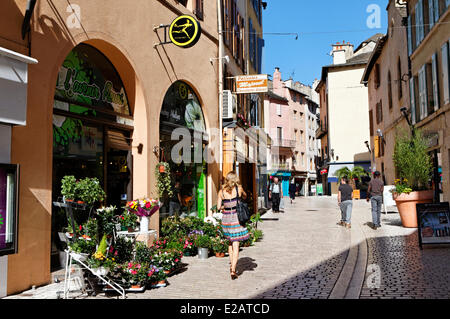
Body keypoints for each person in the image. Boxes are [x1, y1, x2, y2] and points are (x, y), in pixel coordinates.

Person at [214, 171, 249, 280]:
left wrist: (226, 207)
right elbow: (245, 197)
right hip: (236, 218)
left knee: (230, 241)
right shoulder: (239, 189)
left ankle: (231, 265)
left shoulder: (221, 192)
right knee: (236, 244)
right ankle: (233, 269)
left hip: (226, 219)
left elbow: (219, 207)